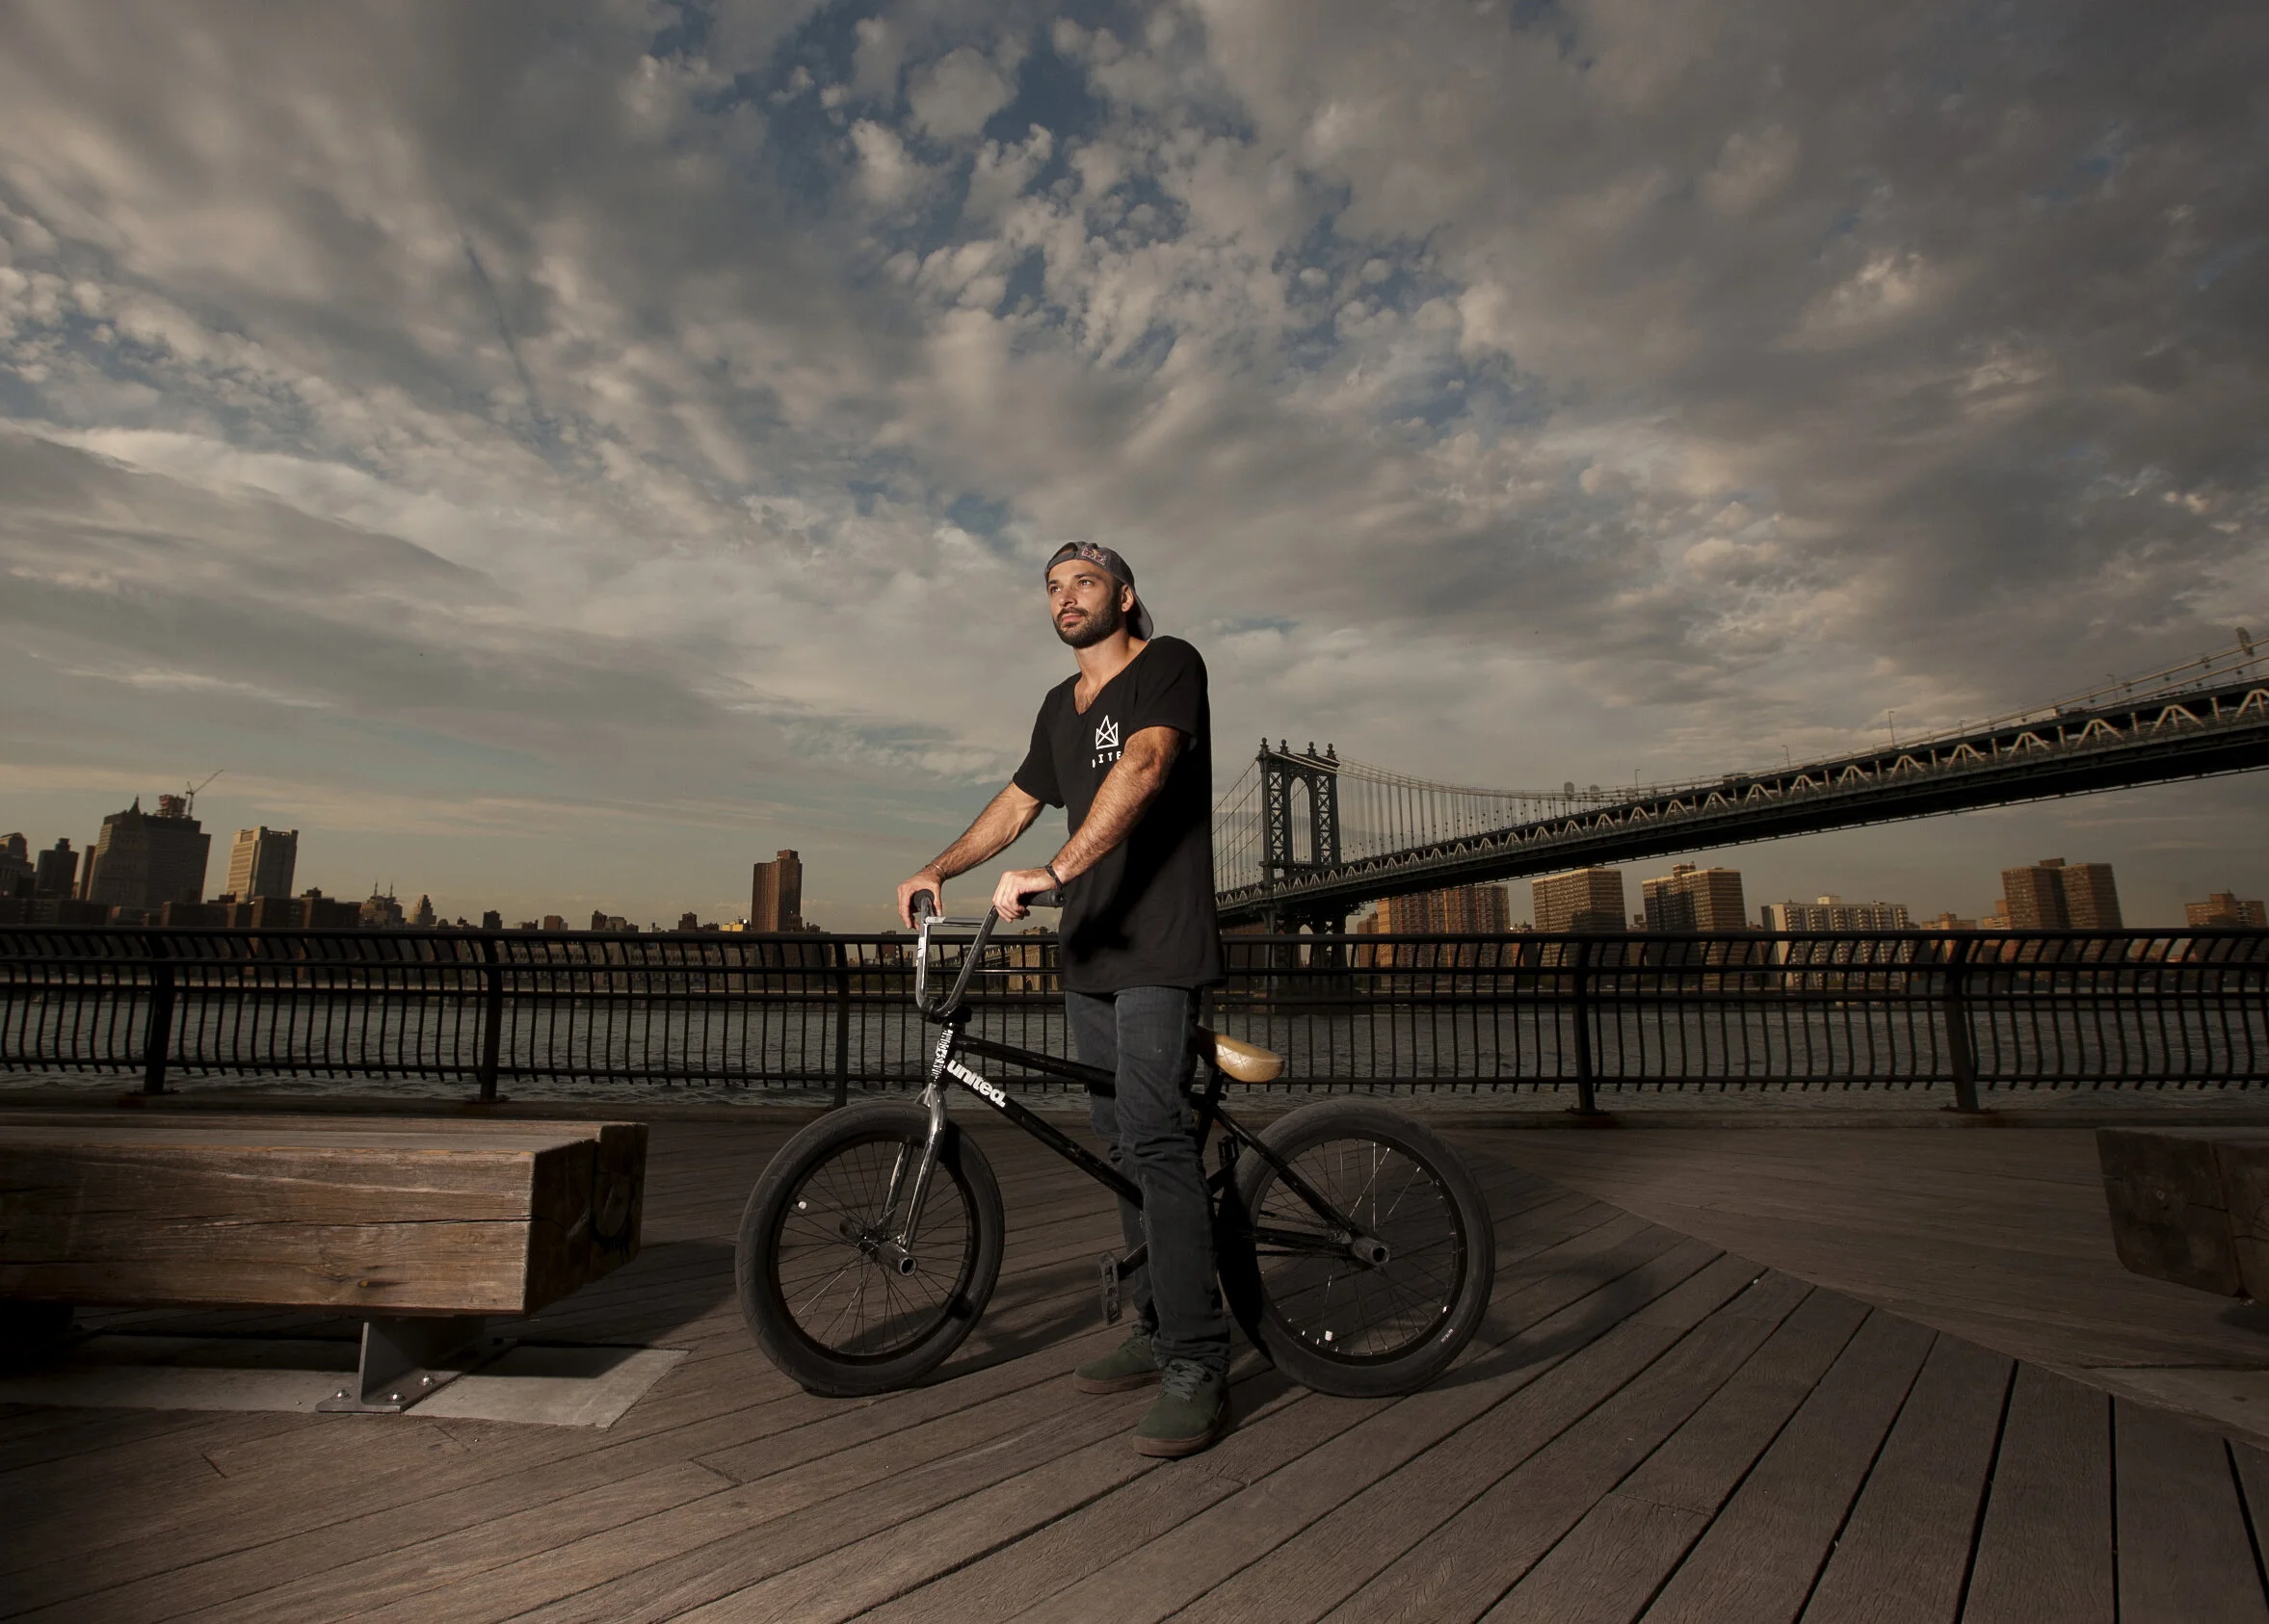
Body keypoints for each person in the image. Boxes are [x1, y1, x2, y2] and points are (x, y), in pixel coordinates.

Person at [895, 541, 1229, 1458]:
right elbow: (1017, 802)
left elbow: (1147, 766)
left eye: (1084, 581)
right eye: (1052, 586)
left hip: (1158, 944)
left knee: (1156, 1135)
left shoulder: (1168, 664)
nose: (1065, 596)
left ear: (1123, 595)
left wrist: (1057, 869)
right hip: (1088, 954)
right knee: (1118, 1142)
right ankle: (1157, 1325)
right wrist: (938, 866)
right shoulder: (1058, 706)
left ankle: (1199, 1357)